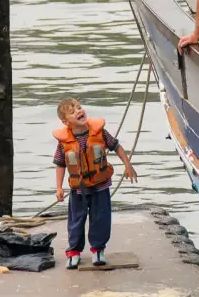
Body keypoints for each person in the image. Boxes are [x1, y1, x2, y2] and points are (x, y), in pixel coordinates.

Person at [53, 97, 137, 269]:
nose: (78, 111)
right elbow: (60, 164)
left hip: (101, 186)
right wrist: (59, 187)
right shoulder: (64, 142)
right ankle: (73, 252)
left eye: (79, 107)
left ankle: (98, 249)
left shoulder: (99, 132)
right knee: (76, 220)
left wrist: (127, 165)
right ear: (65, 121)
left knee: (101, 218)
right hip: (78, 190)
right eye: (72, 111)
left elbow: (116, 146)